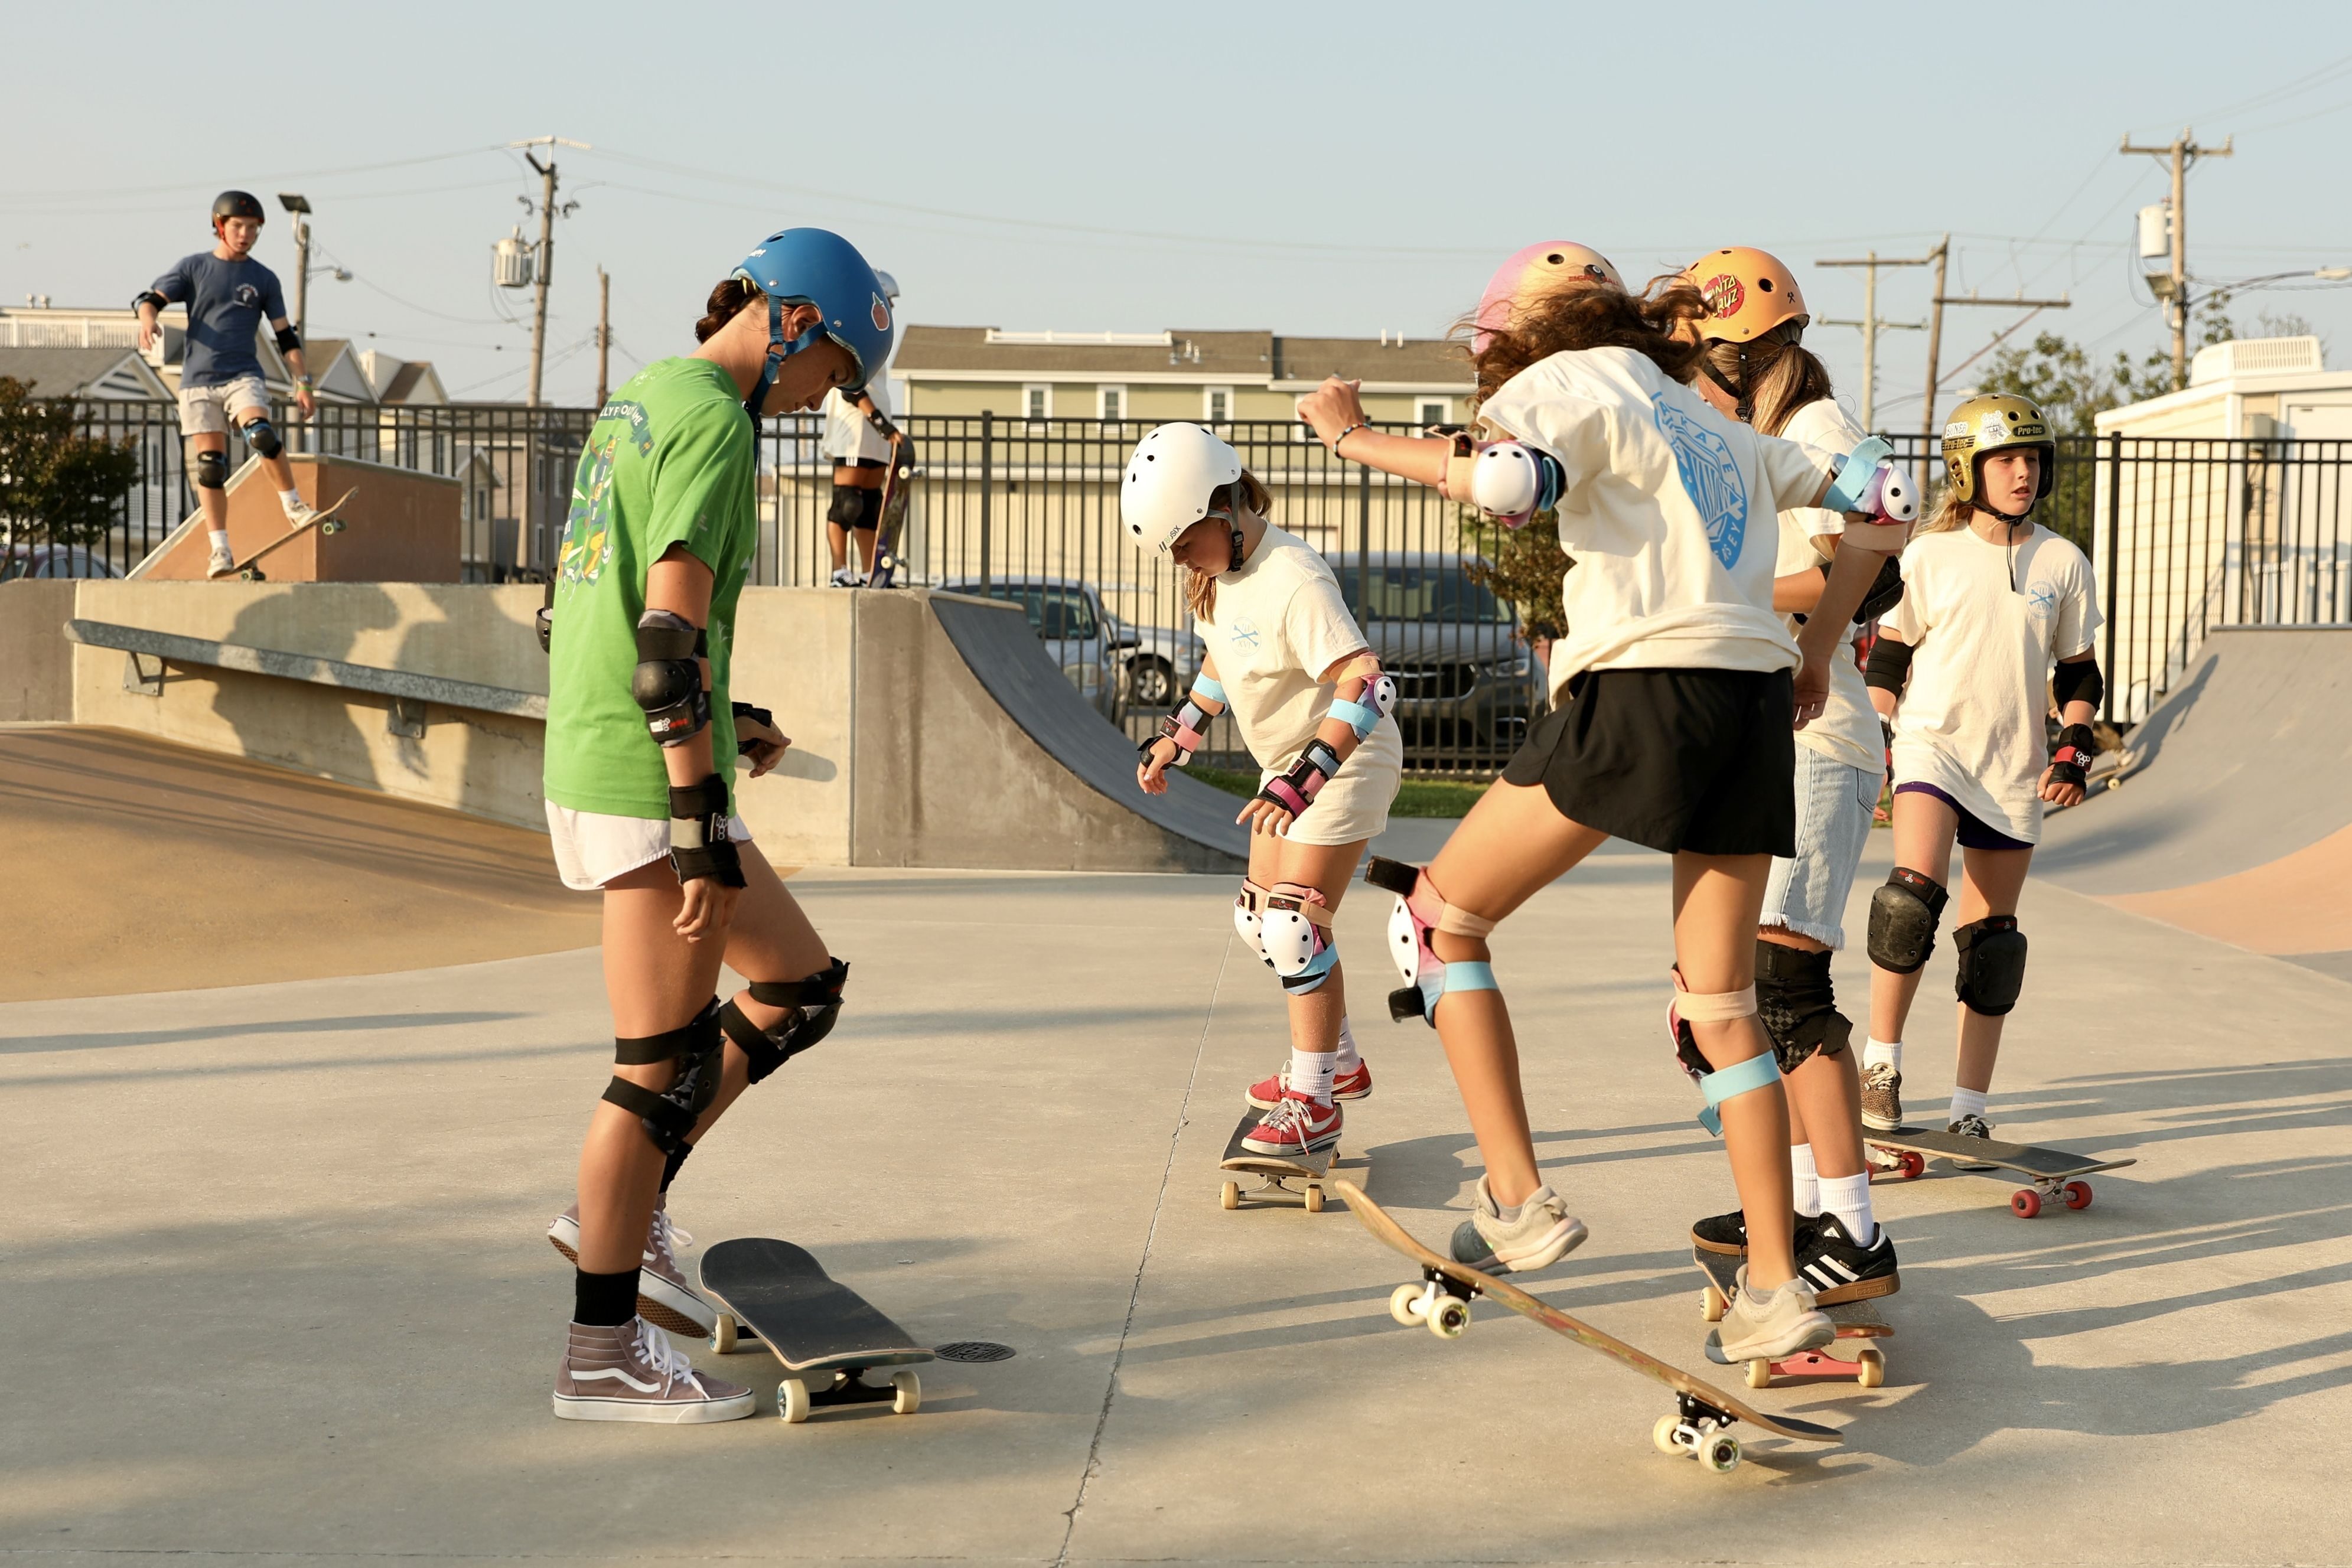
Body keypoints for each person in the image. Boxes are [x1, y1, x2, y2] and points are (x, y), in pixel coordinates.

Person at [1294, 250, 1910, 1368]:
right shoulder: (1709, 419)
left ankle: (1519, 1200)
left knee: (1437, 921)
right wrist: (1819, 647)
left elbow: (1504, 484)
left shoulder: (1565, 380)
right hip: (1751, 711)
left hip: (1639, 692)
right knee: (1720, 1003)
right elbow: (1885, 501)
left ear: (1526, 333)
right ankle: (1776, 1290)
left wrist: (1351, 437)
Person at [539, 226, 895, 1423]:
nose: (823, 398)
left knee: (797, 986)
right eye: (833, 369)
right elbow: (662, 645)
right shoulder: (715, 424)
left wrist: (725, 721)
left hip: (632, 754)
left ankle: (625, 1217)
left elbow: (576, 610)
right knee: (658, 1067)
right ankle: (602, 1343)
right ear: (791, 322)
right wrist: (694, 807)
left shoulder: (645, 396)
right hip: (645, 781)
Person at [1673, 247, 1908, 1307]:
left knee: (1784, 989)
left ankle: (1853, 1234)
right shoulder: (1760, 439)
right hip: (1766, 741)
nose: (1696, 385)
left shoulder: (1813, 430)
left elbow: (1878, 547)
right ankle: (1814, 1208)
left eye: (1706, 364)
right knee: (1724, 998)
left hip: (1819, 742)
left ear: (1750, 351)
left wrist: (1742, 601)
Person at [1127, 423, 1403, 1156]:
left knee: (1294, 926)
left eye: (1184, 542)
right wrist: (1175, 738)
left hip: (1344, 764)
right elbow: (1224, 662)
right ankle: (1337, 1065)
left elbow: (1367, 683)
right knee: (1259, 923)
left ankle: (1313, 1100)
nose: (1180, 559)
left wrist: (1302, 783)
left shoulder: (1295, 579)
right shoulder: (1219, 579)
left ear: (1223, 508)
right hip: (1287, 769)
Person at [1859, 393, 2103, 1153]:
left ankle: (1969, 1107)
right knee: (1911, 899)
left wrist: (2074, 745)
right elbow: (1891, 655)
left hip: (2013, 765)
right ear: (1968, 470)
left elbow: (2079, 672)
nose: (2022, 472)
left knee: (1991, 942)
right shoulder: (1930, 555)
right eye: (2005, 460)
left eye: (2031, 459)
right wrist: (1874, 742)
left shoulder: (2062, 561)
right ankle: (1882, 1065)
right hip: (1934, 745)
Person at [134, 191, 322, 580]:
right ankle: (220, 549)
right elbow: (149, 299)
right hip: (198, 381)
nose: (246, 234)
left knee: (261, 435)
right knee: (211, 466)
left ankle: (293, 506)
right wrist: (147, 319)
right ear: (220, 226)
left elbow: (286, 337)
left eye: (253, 229)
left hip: (243, 375)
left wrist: (303, 383)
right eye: (238, 227)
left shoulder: (264, 278)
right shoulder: (195, 267)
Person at [817, 270, 901, 586]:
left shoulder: (879, 339)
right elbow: (849, 384)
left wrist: (883, 427)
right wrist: (881, 424)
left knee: (869, 507)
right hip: (854, 429)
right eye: (888, 302)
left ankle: (870, 574)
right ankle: (840, 571)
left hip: (874, 434)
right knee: (847, 505)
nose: (891, 309)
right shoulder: (853, 332)